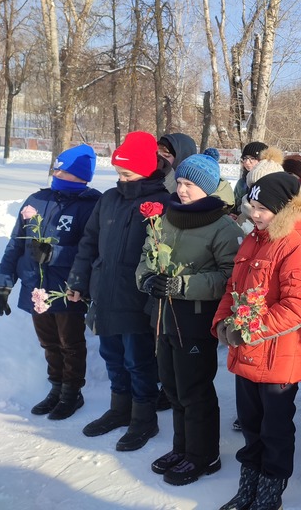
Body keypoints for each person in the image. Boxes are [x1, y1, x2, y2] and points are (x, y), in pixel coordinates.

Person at [213, 171, 301, 510]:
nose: (254, 214)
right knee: (250, 425)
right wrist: (222, 322)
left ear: (284, 209)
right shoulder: (254, 239)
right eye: (252, 205)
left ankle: (269, 494)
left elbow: (299, 307)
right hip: (247, 355)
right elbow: (234, 287)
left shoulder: (297, 245)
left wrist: (248, 330)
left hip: (277, 358)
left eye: (262, 208)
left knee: (274, 430)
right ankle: (249, 486)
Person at [136, 154, 243, 485]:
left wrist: (183, 285)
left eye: (189, 185)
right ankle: (182, 448)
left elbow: (229, 278)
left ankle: (203, 454)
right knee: (171, 387)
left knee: (194, 390)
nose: (181, 190)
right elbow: (146, 257)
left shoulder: (223, 227)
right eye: (179, 182)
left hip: (196, 320)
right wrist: (147, 279)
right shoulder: (167, 218)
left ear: (207, 189)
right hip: (165, 317)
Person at [66, 131, 171, 452]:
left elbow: (165, 253)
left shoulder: (162, 203)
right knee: (111, 355)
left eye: (127, 173)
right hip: (104, 291)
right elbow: (88, 243)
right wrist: (78, 281)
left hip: (137, 297)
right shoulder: (108, 199)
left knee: (138, 360)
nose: (121, 178)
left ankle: (144, 418)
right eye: (118, 172)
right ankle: (119, 409)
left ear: (145, 168)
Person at [0, 144, 101, 420]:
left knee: (71, 343)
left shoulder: (92, 205)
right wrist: (3, 282)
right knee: (48, 342)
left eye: (61, 169)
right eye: (56, 168)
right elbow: (15, 246)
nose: (55, 172)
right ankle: (56, 387)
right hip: (35, 287)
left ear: (77, 174)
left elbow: (93, 251)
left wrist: (56, 254)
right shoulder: (36, 200)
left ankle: (71, 393)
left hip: (68, 289)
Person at [232, 141, 268, 216]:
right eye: (245, 158)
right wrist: (233, 214)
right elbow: (234, 205)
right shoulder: (242, 182)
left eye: (252, 158)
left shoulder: (271, 181)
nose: (247, 162)